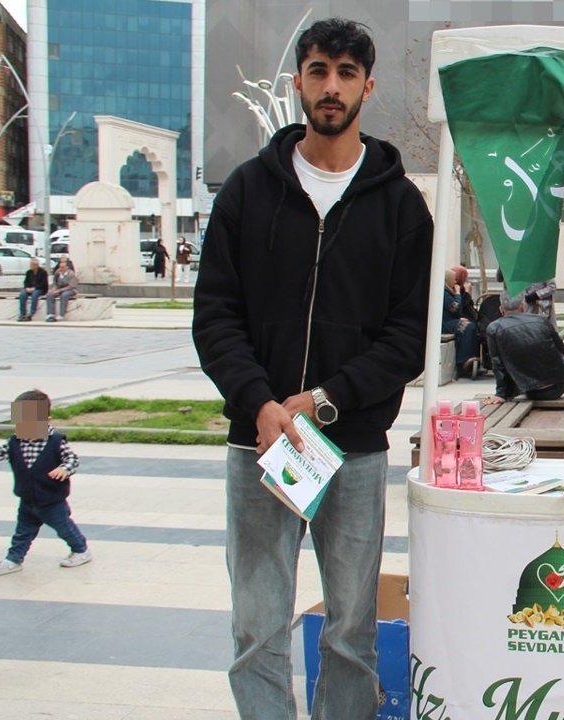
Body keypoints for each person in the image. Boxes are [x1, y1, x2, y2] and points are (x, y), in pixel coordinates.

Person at [191, 18, 432, 719]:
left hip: (350, 450)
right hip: (259, 446)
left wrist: (324, 400)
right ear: (297, 81)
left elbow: (409, 337)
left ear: (368, 87)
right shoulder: (248, 191)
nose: (332, 86)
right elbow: (215, 315)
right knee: (256, 627)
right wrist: (260, 403)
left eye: (346, 73)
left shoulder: (400, 206)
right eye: (319, 71)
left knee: (352, 632)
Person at [0, 389, 92, 577]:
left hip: (51, 500)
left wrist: (64, 469)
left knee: (64, 528)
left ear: (46, 420)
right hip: (27, 499)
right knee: (22, 532)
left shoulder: (55, 441)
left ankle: (81, 550)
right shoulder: (14, 441)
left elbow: (72, 459)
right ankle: (13, 559)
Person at [484, 290, 564, 405]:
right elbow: (562, 350)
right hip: (560, 383)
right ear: (522, 307)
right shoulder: (541, 320)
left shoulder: (494, 328)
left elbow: (497, 364)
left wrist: (500, 394)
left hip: (531, 389)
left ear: (501, 309)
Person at [444, 267, 480, 376]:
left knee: (470, 325)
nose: (455, 282)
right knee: (468, 327)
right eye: (453, 279)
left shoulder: (449, 290)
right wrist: (459, 294)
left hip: (450, 320)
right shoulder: (444, 292)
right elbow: (455, 308)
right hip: (444, 323)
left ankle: (471, 358)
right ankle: (463, 361)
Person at [45, 257, 78, 322]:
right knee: (49, 295)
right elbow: (55, 282)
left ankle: (61, 314)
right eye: (60, 267)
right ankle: (50, 314)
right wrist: (54, 288)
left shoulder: (71, 274)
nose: (61, 269)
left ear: (67, 267)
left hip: (70, 289)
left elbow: (71, 286)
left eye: (62, 267)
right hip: (59, 288)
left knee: (64, 295)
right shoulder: (57, 272)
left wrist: (59, 290)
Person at [17, 257, 49, 322]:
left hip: (40, 289)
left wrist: (35, 288)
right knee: (22, 294)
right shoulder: (28, 272)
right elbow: (26, 282)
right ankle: (22, 314)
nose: (30, 266)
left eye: (32, 265)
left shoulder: (43, 272)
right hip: (30, 288)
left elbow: (43, 283)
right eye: (30, 264)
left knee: (35, 294)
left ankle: (31, 313)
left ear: (36, 265)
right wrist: (27, 287)